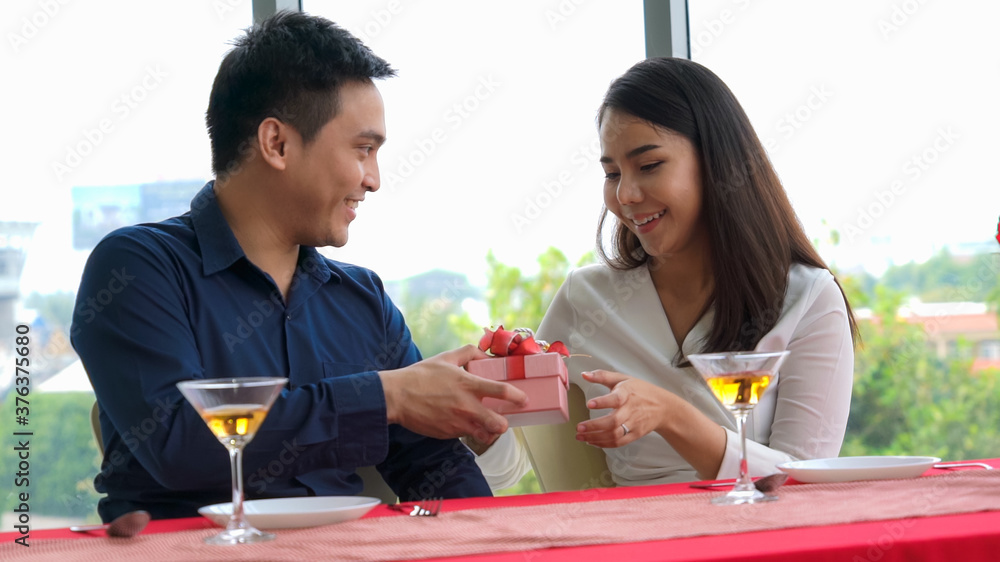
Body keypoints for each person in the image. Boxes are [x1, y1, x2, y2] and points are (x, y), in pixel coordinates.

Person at [71, 11, 525, 522]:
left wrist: (492, 538)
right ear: (277, 144)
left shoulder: (362, 300)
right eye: (364, 149)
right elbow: (179, 445)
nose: (374, 179)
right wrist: (383, 396)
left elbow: (430, 461)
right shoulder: (136, 268)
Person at [474, 57, 857, 489]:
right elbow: (508, 468)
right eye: (612, 173)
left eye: (649, 165)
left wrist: (672, 416)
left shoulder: (807, 298)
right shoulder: (588, 298)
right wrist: (479, 422)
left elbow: (805, 483)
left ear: (717, 163)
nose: (625, 195)